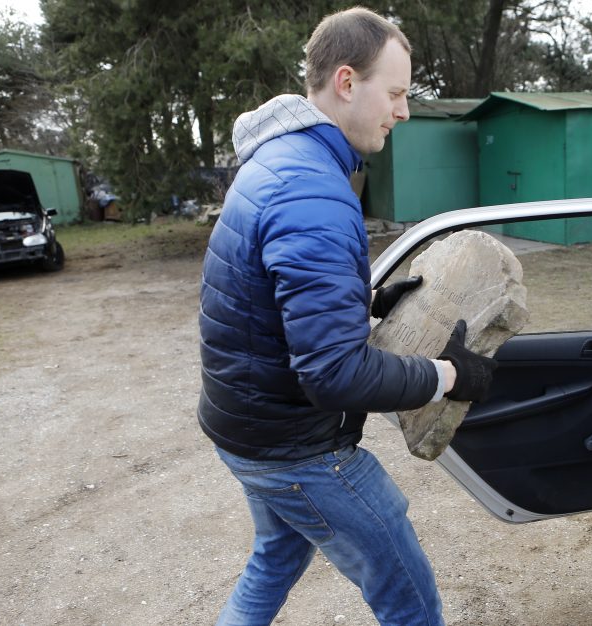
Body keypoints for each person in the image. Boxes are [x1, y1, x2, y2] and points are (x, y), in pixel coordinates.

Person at [197, 7, 497, 626]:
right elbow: (334, 374)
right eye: (395, 93)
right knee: (409, 600)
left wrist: (362, 302)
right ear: (345, 82)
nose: (403, 111)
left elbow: (271, 300)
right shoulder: (311, 190)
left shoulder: (279, 163)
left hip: (247, 426)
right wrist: (449, 376)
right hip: (296, 447)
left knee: (274, 561)